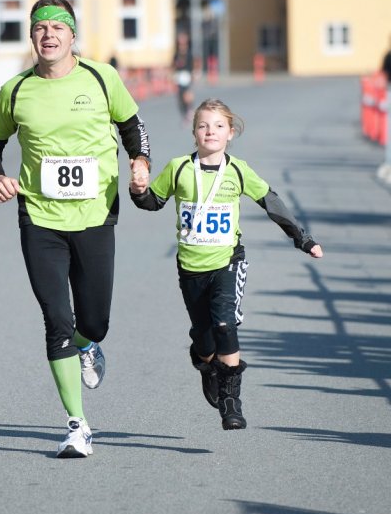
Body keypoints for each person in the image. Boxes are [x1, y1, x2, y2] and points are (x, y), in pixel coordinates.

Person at [0, 0, 151, 458]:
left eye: (57, 28)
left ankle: (88, 345)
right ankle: (77, 426)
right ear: (31, 36)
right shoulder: (16, 90)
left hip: (95, 216)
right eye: (39, 28)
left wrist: (140, 160)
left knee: (94, 320)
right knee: (56, 320)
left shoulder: (101, 77)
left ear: (73, 35)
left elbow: (133, 125)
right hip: (40, 220)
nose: (48, 35)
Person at [129, 98, 323, 431]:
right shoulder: (179, 168)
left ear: (230, 133)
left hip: (227, 261)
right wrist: (138, 190)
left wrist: (302, 239)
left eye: (219, 126)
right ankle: (206, 366)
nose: (211, 131)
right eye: (203, 125)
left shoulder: (237, 170)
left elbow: (270, 201)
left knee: (225, 324)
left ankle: (232, 403)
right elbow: (153, 202)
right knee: (205, 343)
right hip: (191, 267)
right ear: (194, 132)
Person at [172, 32, 194, 124]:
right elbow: (173, 65)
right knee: (180, 96)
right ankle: (185, 113)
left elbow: (192, 65)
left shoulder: (189, 53)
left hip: (186, 75)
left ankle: (190, 110)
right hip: (178, 76)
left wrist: (193, 75)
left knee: (186, 93)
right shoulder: (177, 53)